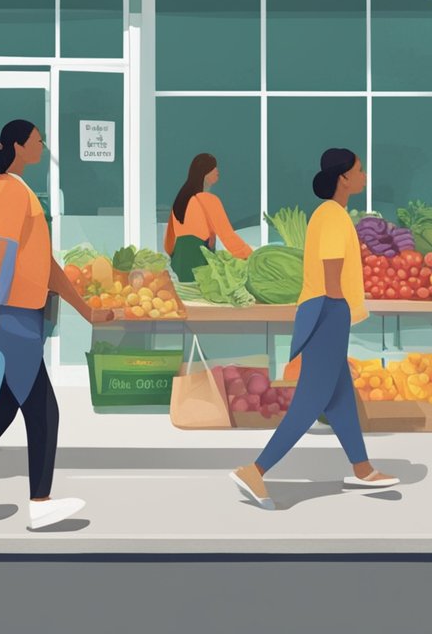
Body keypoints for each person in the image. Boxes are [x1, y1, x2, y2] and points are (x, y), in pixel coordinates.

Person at [0, 119, 115, 530]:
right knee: (43, 409)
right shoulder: (9, 190)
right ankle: (40, 501)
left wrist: (85, 310)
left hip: (19, 313)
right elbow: (1, 256)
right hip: (12, 316)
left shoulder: (11, 190)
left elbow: (43, 264)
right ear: (16, 145)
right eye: (37, 141)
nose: (43, 147)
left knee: (3, 411)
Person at [230, 148, 400, 510]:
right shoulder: (335, 217)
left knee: (339, 398)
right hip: (329, 308)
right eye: (359, 170)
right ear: (344, 178)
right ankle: (255, 469)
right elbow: (332, 273)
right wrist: (337, 312)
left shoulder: (324, 214)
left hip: (322, 308)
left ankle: (362, 468)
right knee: (311, 401)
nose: (364, 175)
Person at [164, 153, 252, 281]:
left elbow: (169, 241)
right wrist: (250, 257)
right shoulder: (209, 200)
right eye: (213, 167)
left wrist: (175, 258)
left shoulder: (180, 200)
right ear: (204, 173)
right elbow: (227, 235)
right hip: (200, 264)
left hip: (179, 264)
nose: (217, 171)